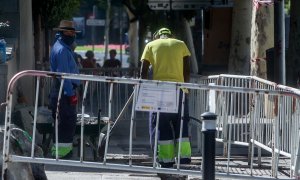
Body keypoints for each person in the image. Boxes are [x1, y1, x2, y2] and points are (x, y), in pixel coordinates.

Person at [140, 27, 191, 168]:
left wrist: (144, 89)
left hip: (159, 92)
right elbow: (187, 69)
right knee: (181, 124)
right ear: (170, 35)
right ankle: (184, 158)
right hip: (179, 90)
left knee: (161, 126)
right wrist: (186, 88)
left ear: (157, 36)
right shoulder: (180, 44)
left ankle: (165, 160)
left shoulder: (150, 45)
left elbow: (143, 71)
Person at [49, 20, 80, 158]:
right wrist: (70, 93)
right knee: (66, 121)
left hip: (62, 90)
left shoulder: (61, 47)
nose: (73, 35)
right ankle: (63, 153)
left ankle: (61, 151)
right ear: (62, 33)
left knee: (63, 121)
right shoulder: (61, 50)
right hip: (64, 91)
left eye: (73, 32)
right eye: (70, 32)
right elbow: (64, 75)